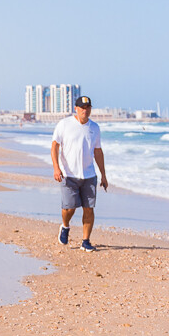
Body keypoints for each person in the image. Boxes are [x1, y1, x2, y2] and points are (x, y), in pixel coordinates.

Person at [52, 96, 108, 252]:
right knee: (69, 208)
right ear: (76, 109)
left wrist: (103, 175)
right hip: (68, 174)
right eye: (82, 108)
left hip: (89, 175)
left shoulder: (94, 128)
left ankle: (86, 241)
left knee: (89, 209)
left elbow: (98, 151)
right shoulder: (64, 124)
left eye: (88, 107)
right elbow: (55, 146)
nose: (85, 110)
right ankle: (65, 226)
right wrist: (56, 168)